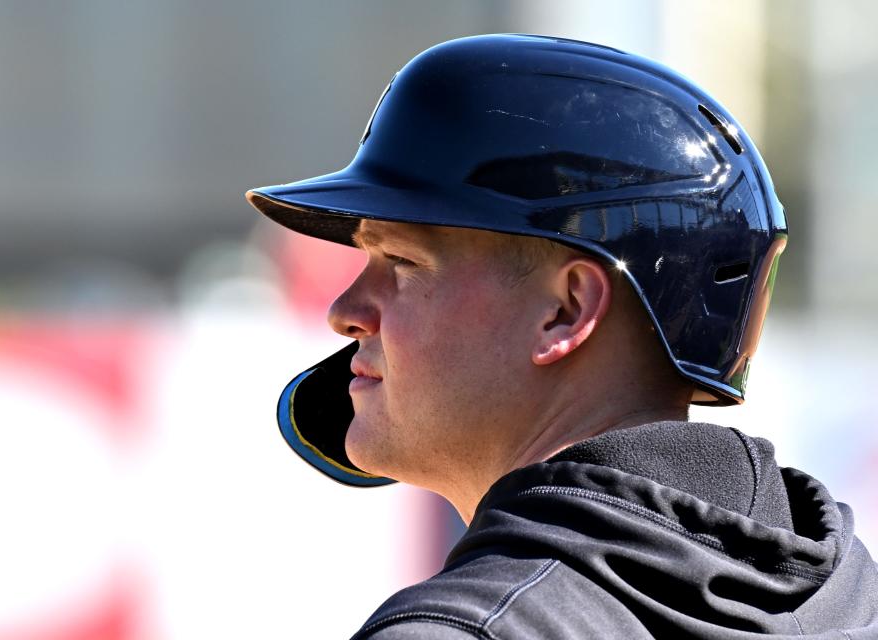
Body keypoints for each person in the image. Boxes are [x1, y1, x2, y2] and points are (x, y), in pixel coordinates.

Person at [246, 35, 878, 639]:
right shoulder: (854, 597)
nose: (345, 310)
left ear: (567, 310)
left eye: (403, 263)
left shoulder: (468, 630)